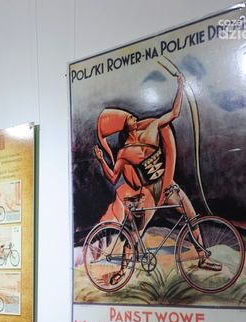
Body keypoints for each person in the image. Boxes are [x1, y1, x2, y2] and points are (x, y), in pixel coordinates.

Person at [93, 73, 221, 285]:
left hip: (167, 184)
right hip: (148, 192)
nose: (134, 118)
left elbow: (174, 113)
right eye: (129, 119)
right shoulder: (124, 152)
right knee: (135, 233)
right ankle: (123, 270)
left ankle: (202, 257)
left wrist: (180, 86)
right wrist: (101, 160)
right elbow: (113, 177)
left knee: (191, 216)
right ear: (125, 125)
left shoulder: (152, 128)